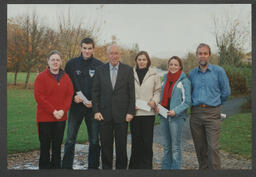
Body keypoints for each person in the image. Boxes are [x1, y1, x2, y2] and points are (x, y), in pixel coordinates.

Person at [62, 38, 103, 169]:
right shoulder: (71, 64)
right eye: (84, 48)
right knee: (69, 139)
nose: (87, 51)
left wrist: (95, 102)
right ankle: (66, 168)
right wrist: (73, 96)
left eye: (89, 48)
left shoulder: (100, 65)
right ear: (80, 48)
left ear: (93, 49)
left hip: (93, 109)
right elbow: (65, 85)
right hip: (76, 108)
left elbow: (103, 88)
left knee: (95, 141)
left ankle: (93, 168)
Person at [92, 44, 135, 169]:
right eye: (111, 53)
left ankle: (121, 171)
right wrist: (96, 111)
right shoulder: (100, 70)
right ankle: (107, 171)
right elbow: (95, 92)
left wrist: (130, 111)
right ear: (107, 55)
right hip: (104, 115)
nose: (114, 56)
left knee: (121, 147)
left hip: (122, 116)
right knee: (106, 146)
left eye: (116, 53)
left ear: (120, 54)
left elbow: (131, 93)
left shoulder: (127, 70)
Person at [188, 43, 231, 169]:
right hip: (195, 114)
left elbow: (226, 92)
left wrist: (216, 104)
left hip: (212, 114)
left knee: (212, 148)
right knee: (200, 148)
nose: (202, 56)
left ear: (209, 55)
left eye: (205, 53)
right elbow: (189, 93)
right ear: (196, 56)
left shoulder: (219, 71)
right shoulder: (192, 74)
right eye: (200, 53)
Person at [34, 50, 74, 169]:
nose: (55, 62)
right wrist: (53, 111)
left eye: (57, 60)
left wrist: (63, 110)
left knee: (57, 147)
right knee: (45, 147)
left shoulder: (66, 78)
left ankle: (56, 171)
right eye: (53, 60)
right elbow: (39, 97)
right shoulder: (41, 77)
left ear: (61, 62)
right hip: (44, 119)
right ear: (48, 61)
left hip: (60, 118)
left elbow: (69, 95)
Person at [157, 56, 191, 169]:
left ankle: (175, 169)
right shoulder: (165, 79)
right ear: (168, 66)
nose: (173, 66)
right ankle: (165, 168)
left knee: (175, 146)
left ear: (180, 66)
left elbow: (187, 102)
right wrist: (158, 106)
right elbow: (161, 97)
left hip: (176, 117)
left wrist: (175, 111)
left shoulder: (184, 81)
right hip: (163, 115)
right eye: (171, 64)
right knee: (166, 146)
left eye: (176, 64)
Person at [128, 51, 161, 169]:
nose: (141, 62)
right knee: (136, 142)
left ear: (148, 61)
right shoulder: (129, 73)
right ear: (136, 61)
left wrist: (154, 101)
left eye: (144, 59)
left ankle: (146, 168)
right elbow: (127, 91)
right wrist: (131, 105)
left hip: (148, 113)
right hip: (135, 113)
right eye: (139, 59)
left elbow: (158, 91)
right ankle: (134, 168)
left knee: (147, 142)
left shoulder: (154, 74)